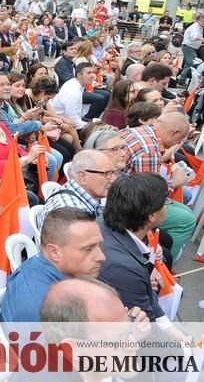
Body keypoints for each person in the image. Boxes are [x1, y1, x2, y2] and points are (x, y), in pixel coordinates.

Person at [0, 207, 105, 323]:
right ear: (54, 252)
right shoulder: (46, 311)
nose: (101, 257)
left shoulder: (41, 265)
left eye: (99, 245)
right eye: (88, 249)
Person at [96, 173, 174, 322]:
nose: (166, 206)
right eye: (164, 203)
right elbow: (149, 327)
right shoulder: (125, 269)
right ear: (151, 216)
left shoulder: (105, 222)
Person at [119, 111, 195, 258]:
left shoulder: (140, 131)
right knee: (186, 220)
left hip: (123, 189)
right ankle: (160, 267)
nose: (176, 144)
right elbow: (148, 195)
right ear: (174, 132)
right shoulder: (149, 148)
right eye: (179, 140)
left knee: (186, 210)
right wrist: (174, 182)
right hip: (124, 202)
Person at [37, 150, 117, 230]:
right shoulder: (70, 213)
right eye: (107, 174)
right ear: (83, 177)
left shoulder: (84, 197)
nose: (113, 179)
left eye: (113, 173)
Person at [51, 61, 97, 130]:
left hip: (68, 120)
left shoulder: (74, 83)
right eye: (89, 73)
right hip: (61, 123)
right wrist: (91, 126)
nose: (93, 76)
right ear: (79, 75)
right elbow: (74, 123)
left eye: (93, 72)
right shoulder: (74, 92)